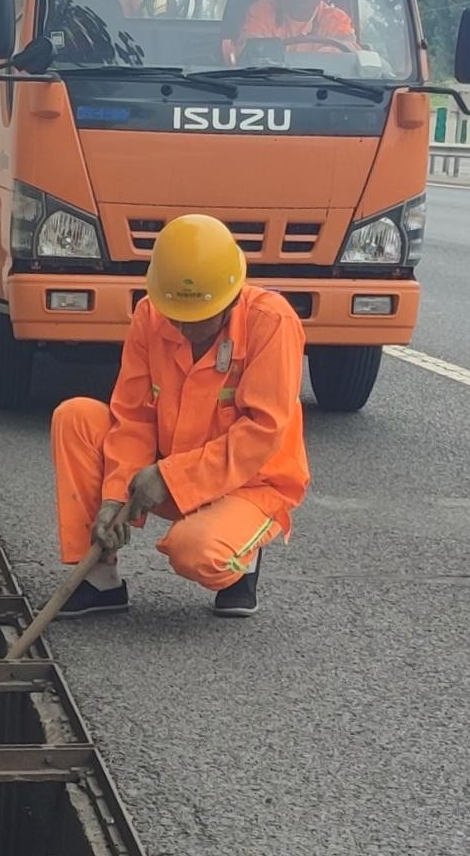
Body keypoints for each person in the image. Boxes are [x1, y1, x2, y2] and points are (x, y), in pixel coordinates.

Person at [50, 213, 309, 619]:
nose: (184, 329)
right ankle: (100, 579)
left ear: (231, 300)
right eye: (176, 317)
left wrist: (171, 477)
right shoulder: (150, 315)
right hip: (165, 472)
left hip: (248, 483)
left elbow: (262, 432)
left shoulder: (272, 323)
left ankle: (243, 561)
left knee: (196, 553)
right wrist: (113, 498)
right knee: (76, 417)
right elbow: (133, 417)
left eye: (197, 320)